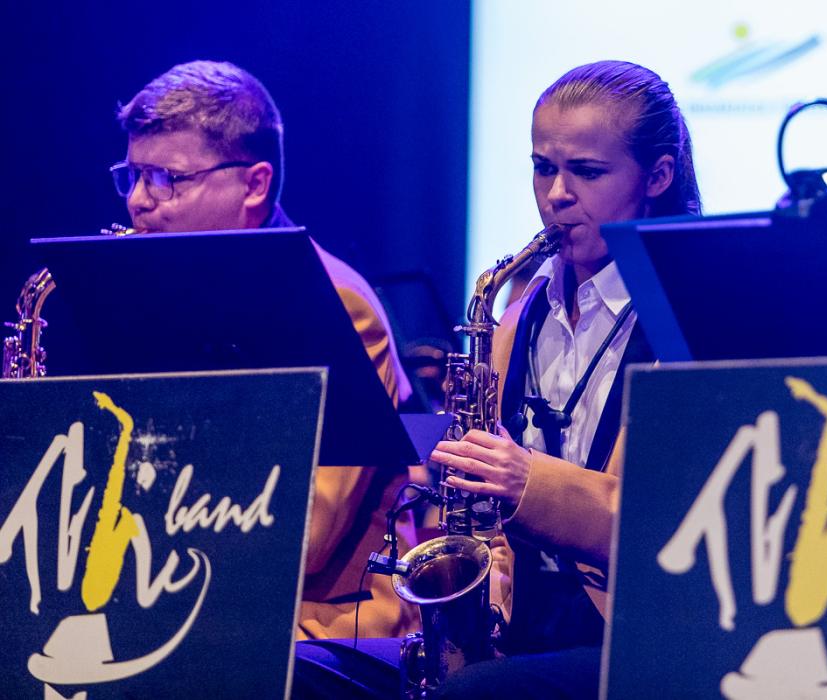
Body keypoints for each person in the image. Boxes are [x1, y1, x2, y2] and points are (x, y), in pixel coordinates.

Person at [114, 60, 418, 642]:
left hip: (317, 620)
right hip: (188, 598)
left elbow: (304, 535)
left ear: (253, 185)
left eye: (166, 178)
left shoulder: (336, 303)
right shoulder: (151, 299)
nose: (138, 202)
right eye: (132, 176)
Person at [427, 59, 701, 699]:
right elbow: (486, 525)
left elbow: (669, 524)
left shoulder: (691, 316)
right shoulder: (517, 313)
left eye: (587, 171)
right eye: (542, 167)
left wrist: (525, 480)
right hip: (527, 627)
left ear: (657, 177)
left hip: (645, 633)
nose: (556, 194)